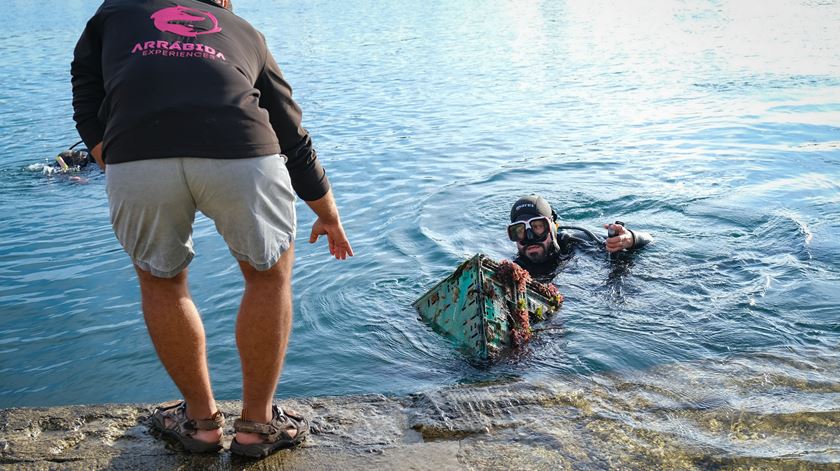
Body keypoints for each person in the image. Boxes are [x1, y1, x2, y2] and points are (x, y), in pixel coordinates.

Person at [71, 0, 353, 458]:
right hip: (242, 150)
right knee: (267, 276)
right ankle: (258, 426)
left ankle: (200, 424)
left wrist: (106, 149)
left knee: (162, 283)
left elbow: (85, 87)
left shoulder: (114, 11)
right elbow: (290, 132)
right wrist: (329, 213)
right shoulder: (243, 30)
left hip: (139, 154)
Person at [507, 195, 652, 281]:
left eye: (538, 226)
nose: (530, 238)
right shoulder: (513, 266)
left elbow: (649, 238)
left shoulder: (575, 241)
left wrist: (630, 239)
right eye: (519, 231)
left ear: (552, 227)